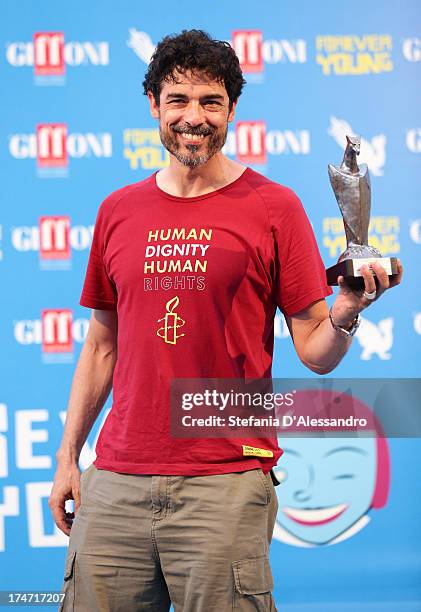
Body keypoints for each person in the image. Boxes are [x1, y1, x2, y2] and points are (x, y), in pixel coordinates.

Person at [49, 29, 403, 612]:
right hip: (115, 480)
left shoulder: (274, 206)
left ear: (231, 110)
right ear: (154, 107)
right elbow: (100, 346)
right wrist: (69, 458)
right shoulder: (117, 210)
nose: (195, 117)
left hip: (225, 481)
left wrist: (344, 314)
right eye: (179, 100)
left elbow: (314, 349)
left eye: (210, 102)